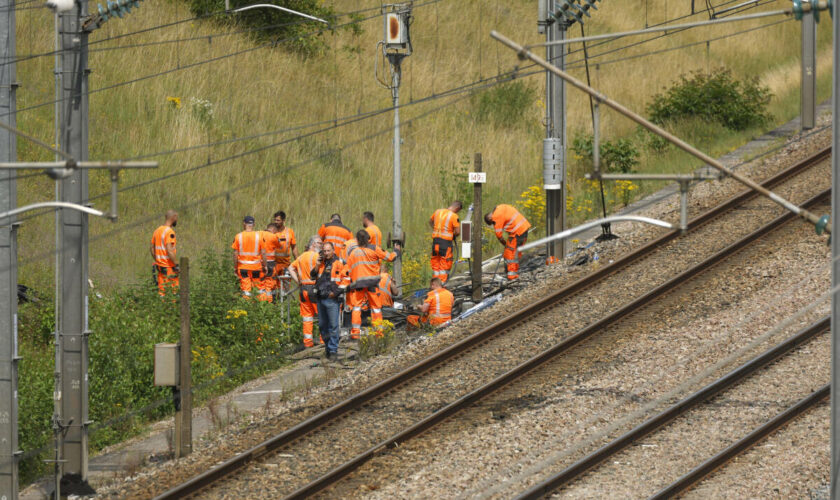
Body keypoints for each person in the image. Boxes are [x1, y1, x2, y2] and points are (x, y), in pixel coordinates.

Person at [345, 230, 400, 340]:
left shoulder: (353, 252)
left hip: (358, 285)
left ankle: (355, 333)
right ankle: (378, 332)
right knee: (376, 308)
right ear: (368, 238)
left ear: (357, 240)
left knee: (356, 308)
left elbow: (348, 270)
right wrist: (396, 251)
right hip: (372, 284)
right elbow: (390, 257)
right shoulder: (374, 249)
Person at [310, 242, 348, 359]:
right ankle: (327, 347)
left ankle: (333, 350)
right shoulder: (320, 263)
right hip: (321, 298)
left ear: (333, 250)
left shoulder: (340, 263)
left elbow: (346, 280)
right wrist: (317, 264)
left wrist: (335, 293)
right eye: (324, 251)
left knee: (333, 326)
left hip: (332, 299)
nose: (326, 253)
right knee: (322, 326)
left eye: (328, 251)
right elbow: (312, 276)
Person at [289, 236, 322, 348]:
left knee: (307, 317)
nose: (321, 246)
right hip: (314, 289)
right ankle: (323, 341)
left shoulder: (301, 257)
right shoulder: (317, 257)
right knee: (322, 315)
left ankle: (308, 343)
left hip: (303, 289)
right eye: (319, 243)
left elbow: (290, 268)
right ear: (313, 244)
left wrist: (298, 281)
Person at [485, 204, 531, 281]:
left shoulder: (496, 217)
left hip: (518, 232)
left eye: (492, 223)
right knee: (516, 251)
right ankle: (514, 271)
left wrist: (505, 244)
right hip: (523, 229)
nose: (493, 223)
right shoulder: (500, 207)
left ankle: (512, 275)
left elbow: (499, 235)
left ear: (490, 218)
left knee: (510, 252)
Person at [232, 215, 267, 299]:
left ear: (244, 223)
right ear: (253, 224)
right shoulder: (259, 236)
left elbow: (235, 254)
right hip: (256, 267)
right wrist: (265, 265)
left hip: (243, 267)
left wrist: (235, 267)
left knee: (246, 290)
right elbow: (263, 253)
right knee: (259, 289)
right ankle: (260, 307)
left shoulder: (238, 236)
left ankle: (246, 308)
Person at [429, 201, 462, 284]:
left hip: (435, 242)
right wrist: (452, 234)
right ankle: (442, 285)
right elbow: (457, 232)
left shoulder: (437, 212)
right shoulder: (454, 216)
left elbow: (430, 221)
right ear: (457, 208)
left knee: (436, 265)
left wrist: (436, 230)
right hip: (445, 244)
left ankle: (434, 285)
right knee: (444, 266)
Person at [150, 210, 179, 296]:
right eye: (176, 218)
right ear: (173, 217)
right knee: (173, 294)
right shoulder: (169, 232)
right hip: (170, 268)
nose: (177, 220)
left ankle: (162, 308)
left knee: (162, 293)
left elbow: (151, 248)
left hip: (160, 267)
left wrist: (158, 260)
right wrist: (177, 265)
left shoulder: (157, 230)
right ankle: (172, 308)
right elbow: (169, 250)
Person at [273, 211, 297, 297]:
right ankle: (274, 306)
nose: (276, 222)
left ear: (283, 221)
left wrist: (297, 262)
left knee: (285, 289)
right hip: (273, 265)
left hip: (286, 265)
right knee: (273, 288)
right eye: (275, 220)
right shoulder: (272, 231)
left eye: (278, 220)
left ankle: (283, 307)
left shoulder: (289, 232)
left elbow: (294, 247)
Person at [257, 223, 280, 302]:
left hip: (259, 263)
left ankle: (260, 303)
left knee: (260, 284)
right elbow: (278, 246)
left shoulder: (258, 234)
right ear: (273, 230)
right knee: (269, 284)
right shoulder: (274, 237)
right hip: (270, 263)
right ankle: (269, 303)